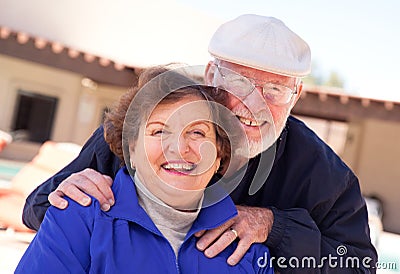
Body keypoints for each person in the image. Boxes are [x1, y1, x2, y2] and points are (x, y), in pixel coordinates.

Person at [22, 14, 377, 272]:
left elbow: (358, 267)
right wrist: (72, 191)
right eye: (239, 83)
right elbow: (38, 207)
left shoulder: (325, 176)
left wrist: (276, 229)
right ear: (211, 76)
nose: (254, 103)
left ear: (296, 95)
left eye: (275, 90)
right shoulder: (139, 129)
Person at [16, 66, 274, 273]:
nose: (178, 148)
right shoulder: (80, 219)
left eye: (197, 132)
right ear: (132, 150)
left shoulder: (247, 251)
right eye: (159, 131)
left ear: (219, 156)